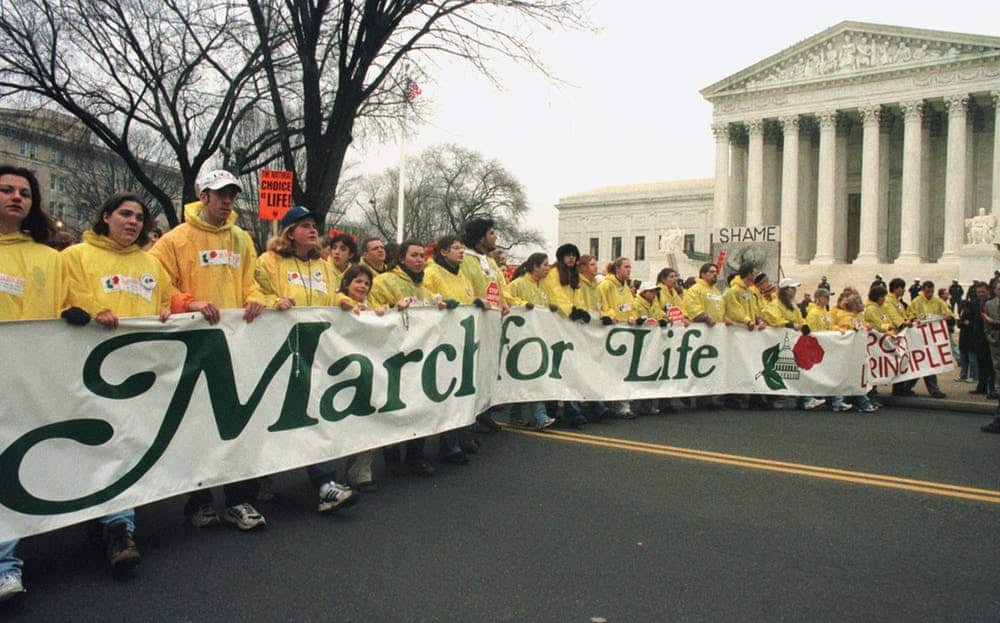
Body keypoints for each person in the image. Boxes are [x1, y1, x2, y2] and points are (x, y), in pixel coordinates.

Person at [60, 192, 181, 573]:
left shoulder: (150, 263)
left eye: (139, 217)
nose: (133, 222)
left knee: (123, 449)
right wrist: (92, 312)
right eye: (125, 214)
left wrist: (174, 308)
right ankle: (108, 522)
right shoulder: (75, 257)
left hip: (138, 374)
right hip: (88, 374)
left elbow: (168, 297)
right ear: (106, 216)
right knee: (97, 449)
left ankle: (118, 527)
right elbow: (65, 303)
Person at [149, 169, 268, 531]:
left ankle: (238, 499)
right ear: (204, 197)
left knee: (237, 420)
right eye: (221, 195)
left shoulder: (242, 238)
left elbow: (252, 282)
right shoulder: (175, 239)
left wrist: (254, 299)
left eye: (232, 195)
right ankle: (198, 500)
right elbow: (156, 281)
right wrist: (190, 302)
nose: (227, 202)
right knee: (197, 423)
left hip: (235, 343)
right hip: (194, 344)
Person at [255, 205, 359, 512]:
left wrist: (343, 301)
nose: (313, 230)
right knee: (274, 418)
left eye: (314, 225)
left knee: (311, 415)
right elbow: (254, 294)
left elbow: (328, 297)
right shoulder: (269, 261)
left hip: (314, 355)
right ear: (289, 232)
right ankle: (262, 482)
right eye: (304, 225)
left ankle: (325, 484)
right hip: (279, 353)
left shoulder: (323, 266)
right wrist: (274, 301)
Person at [0, 165, 64, 602]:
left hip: (32, 378)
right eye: (5, 189)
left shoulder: (50, 258)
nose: (15, 197)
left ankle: (8, 562)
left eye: (24, 192)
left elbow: (69, 304)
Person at [368, 241, 444, 475]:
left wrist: (440, 305)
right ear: (402, 258)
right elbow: (372, 310)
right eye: (414, 255)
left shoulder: (423, 288)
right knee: (393, 404)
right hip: (393, 356)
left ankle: (415, 455)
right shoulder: (385, 281)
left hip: (419, 357)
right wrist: (391, 306)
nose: (420, 259)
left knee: (420, 404)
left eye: (422, 255)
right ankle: (390, 452)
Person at [507, 253, 558, 430]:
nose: (548, 268)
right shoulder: (518, 284)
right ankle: (540, 416)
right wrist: (523, 304)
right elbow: (507, 299)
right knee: (532, 376)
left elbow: (552, 301)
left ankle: (515, 414)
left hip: (540, 338)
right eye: (544, 265)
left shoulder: (544, 286)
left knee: (529, 377)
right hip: (521, 339)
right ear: (534, 266)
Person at [901, 280, 949, 398]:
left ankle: (929, 389)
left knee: (928, 363)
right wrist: (914, 319)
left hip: (932, 338)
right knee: (921, 363)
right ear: (923, 290)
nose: (930, 294)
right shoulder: (916, 302)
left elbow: (948, 314)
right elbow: (909, 315)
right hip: (919, 337)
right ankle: (928, 389)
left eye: (932, 291)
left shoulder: (938, 301)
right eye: (928, 291)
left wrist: (945, 316)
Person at [682, 263, 730, 327]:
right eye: (712, 272)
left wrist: (724, 318)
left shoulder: (717, 292)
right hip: (703, 329)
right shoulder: (694, 289)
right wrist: (706, 318)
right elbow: (692, 307)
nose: (715, 274)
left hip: (717, 330)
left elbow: (720, 309)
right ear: (703, 274)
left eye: (716, 272)